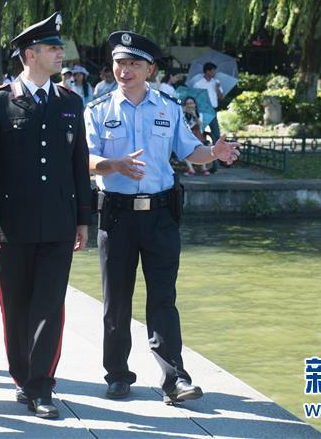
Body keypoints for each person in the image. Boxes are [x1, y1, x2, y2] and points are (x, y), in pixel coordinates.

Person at [85, 30, 239, 404]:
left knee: (163, 299)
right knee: (116, 300)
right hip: (117, 217)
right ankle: (118, 375)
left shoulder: (167, 108)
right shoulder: (98, 110)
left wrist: (213, 153)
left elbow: (190, 152)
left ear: (150, 69)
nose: (125, 70)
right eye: (120, 63)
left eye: (134, 63)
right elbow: (85, 162)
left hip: (160, 216)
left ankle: (175, 378)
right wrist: (113, 165)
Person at [0, 12, 91, 420]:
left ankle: (42, 385)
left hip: (58, 224)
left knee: (50, 305)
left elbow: (79, 166)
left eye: (59, 47)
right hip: (11, 226)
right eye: (53, 48)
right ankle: (22, 376)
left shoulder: (71, 102)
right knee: (16, 306)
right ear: (30, 54)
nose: (61, 54)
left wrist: (82, 219)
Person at [192, 62, 223, 170]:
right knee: (200, 135)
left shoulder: (216, 82)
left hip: (213, 110)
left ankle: (216, 163)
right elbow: (195, 98)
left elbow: (221, 98)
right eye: (213, 70)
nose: (214, 73)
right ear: (208, 71)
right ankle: (202, 162)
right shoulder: (199, 84)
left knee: (216, 134)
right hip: (202, 111)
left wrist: (218, 88)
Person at [181, 97, 207, 176]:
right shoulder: (183, 114)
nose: (190, 105)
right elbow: (183, 127)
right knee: (184, 148)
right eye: (187, 104)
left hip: (198, 135)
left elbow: (200, 125)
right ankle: (191, 169)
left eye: (191, 103)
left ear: (195, 104)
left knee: (201, 147)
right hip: (187, 135)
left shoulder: (200, 114)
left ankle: (204, 168)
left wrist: (194, 115)